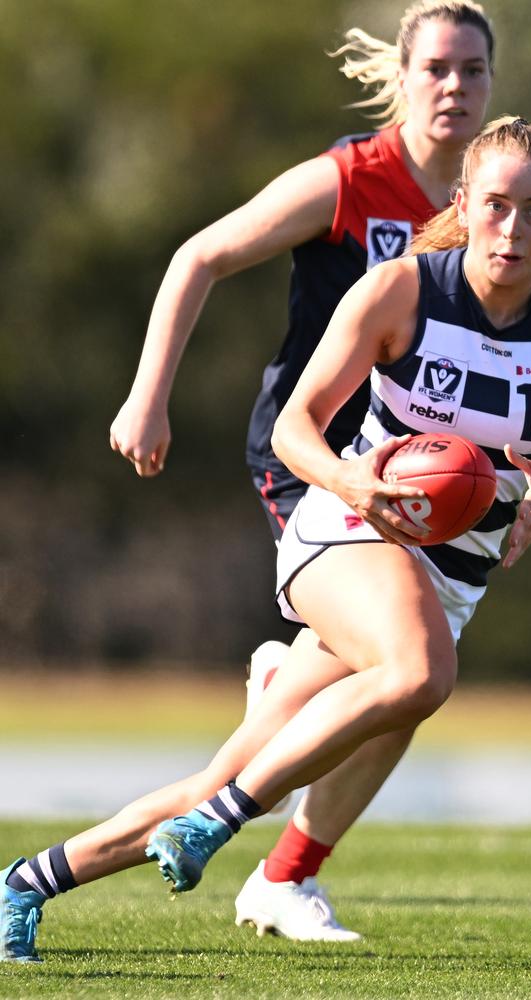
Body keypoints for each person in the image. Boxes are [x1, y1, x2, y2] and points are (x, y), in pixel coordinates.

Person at [1, 116, 531, 962]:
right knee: (419, 676)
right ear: (463, 203)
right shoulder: (400, 291)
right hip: (344, 530)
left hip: (450, 580)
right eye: (495, 206)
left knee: (227, 775)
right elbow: (299, 429)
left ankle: (27, 884)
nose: (513, 229)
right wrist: (351, 480)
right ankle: (221, 826)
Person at [110, 0, 492, 942]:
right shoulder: (349, 179)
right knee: (399, 667)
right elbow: (199, 254)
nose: (454, 86)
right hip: (314, 458)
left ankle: (285, 872)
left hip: (418, 475)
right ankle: (287, 699)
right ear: (400, 78)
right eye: (437, 67)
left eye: (473, 70)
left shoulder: (492, 201)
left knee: (412, 685)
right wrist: (147, 395)